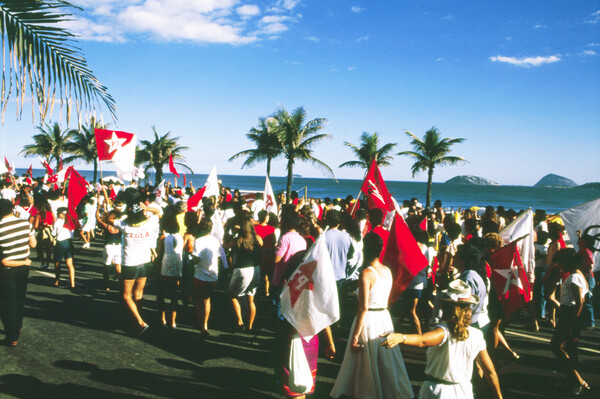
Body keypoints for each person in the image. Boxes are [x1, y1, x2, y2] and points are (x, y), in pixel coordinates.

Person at [382, 279, 503, 399]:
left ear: (448, 308)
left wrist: (401, 337)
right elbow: (490, 372)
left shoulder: (443, 332)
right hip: (463, 392)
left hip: (437, 392)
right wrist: (498, 396)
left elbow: (422, 340)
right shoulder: (477, 335)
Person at [331, 232, 413, 399]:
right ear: (380, 250)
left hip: (369, 320)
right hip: (384, 317)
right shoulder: (387, 271)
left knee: (365, 362)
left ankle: (366, 392)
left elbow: (363, 307)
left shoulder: (366, 273)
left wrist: (354, 335)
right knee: (387, 361)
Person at [108, 189, 159, 336]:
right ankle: (137, 320)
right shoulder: (149, 223)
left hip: (130, 263)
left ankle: (140, 322)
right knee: (138, 294)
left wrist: (117, 208)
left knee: (126, 295)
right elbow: (157, 212)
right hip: (145, 262)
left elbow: (107, 218)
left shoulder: (124, 225)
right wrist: (146, 207)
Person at [550, 248, 590, 396]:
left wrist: (571, 322)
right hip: (574, 315)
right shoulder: (580, 274)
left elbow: (579, 301)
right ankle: (572, 381)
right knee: (570, 349)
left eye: (560, 263)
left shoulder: (573, 277)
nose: (559, 266)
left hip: (569, 315)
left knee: (556, 346)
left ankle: (579, 381)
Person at [0, 199, 36, 347]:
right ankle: (18, 327)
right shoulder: (26, 223)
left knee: (7, 302)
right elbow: (33, 244)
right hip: (24, 266)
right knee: (20, 297)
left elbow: (3, 260)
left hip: (7, 269)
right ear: (12, 209)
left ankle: (12, 335)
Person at [224, 216, 262, 331]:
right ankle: (250, 326)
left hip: (242, 269)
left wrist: (233, 233)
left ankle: (240, 322)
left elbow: (225, 245)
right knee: (251, 299)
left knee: (232, 295)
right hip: (255, 269)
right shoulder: (258, 239)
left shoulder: (238, 240)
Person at [191, 218, 226, 335]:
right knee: (207, 300)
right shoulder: (215, 241)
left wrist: (190, 255)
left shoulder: (198, 241)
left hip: (200, 275)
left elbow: (196, 259)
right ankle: (205, 324)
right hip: (213, 275)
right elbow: (218, 257)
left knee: (198, 301)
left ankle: (201, 325)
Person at [156, 208, 184, 329]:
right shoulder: (180, 237)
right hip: (178, 264)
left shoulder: (164, 238)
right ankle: (173, 321)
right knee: (174, 295)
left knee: (161, 293)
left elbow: (159, 254)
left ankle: (162, 319)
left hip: (165, 263)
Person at [51, 207, 76, 289]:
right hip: (69, 243)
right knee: (70, 264)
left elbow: (54, 233)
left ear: (62, 214)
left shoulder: (57, 222)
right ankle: (72, 283)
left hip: (60, 243)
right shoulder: (71, 222)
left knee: (57, 263)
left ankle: (56, 280)